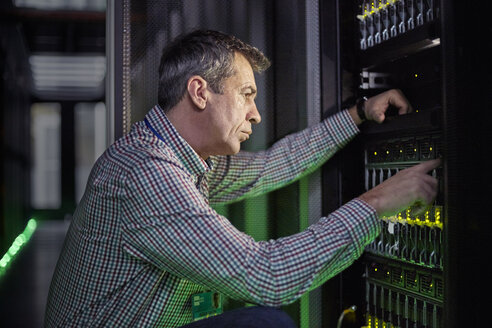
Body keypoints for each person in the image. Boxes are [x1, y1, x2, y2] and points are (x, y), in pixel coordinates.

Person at [44, 29, 440, 328]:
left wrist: (358, 113)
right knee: (267, 323)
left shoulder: (180, 159)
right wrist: (376, 205)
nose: (255, 114)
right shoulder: (147, 173)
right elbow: (269, 276)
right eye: (246, 94)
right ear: (200, 92)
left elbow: (273, 165)